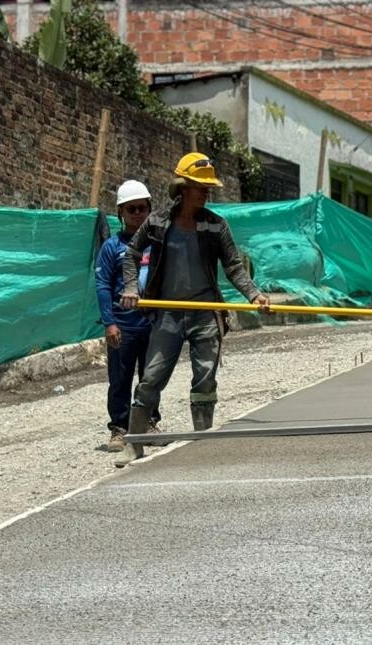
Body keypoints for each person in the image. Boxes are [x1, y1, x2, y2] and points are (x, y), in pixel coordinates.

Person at [115, 153, 269, 466]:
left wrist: (254, 294)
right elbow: (131, 254)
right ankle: (135, 442)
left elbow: (234, 266)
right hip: (168, 313)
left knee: (205, 378)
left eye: (207, 187)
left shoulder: (215, 225)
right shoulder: (158, 222)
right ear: (183, 187)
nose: (205, 192)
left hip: (205, 312)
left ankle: (204, 443)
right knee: (151, 377)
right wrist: (131, 288)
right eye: (200, 186)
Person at [94, 180, 161, 452]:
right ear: (121, 211)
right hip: (123, 326)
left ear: (149, 210)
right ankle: (119, 429)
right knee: (120, 379)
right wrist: (109, 322)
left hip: (153, 324)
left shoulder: (157, 245)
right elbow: (102, 286)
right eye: (131, 209)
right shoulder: (111, 248)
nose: (137, 214)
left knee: (152, 377)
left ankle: (148, 422)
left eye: (142, 208)